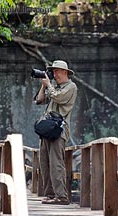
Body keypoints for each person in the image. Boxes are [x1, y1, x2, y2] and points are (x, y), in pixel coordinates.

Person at [34, 60, 77, 205]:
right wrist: (43, 85)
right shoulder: (54, 87)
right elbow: (39, 100)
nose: (54, 74)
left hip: (59, 131)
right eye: (53, 71)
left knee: (56, 163)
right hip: (47, 130)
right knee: (44, 162)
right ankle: (50, 194)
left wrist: (49, 85)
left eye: (57, 71)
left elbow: (59, 97)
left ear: (65, 72)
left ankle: (61, 196)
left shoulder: (71, 87)